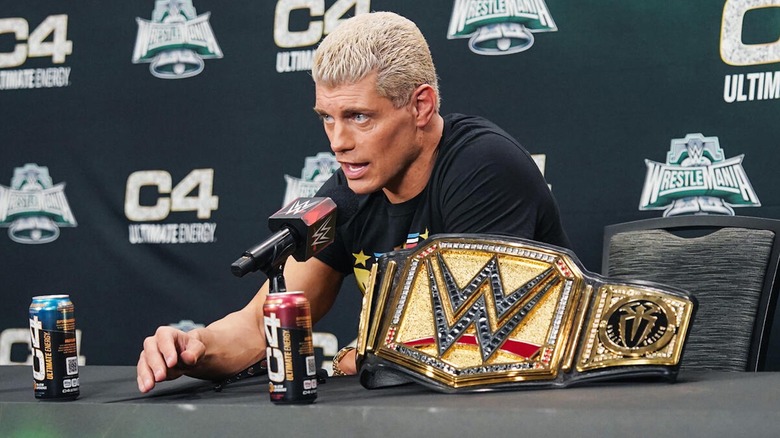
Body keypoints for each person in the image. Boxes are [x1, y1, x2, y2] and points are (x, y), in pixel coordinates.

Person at [136, 11, 569, 393]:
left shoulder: (482, 166)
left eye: (359, 117)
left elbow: (469, 337)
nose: (338, 143)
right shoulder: (348, 193)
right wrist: (194, 349)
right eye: (328, 117)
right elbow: (257, 327)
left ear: (421, 106)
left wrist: (363, 354)